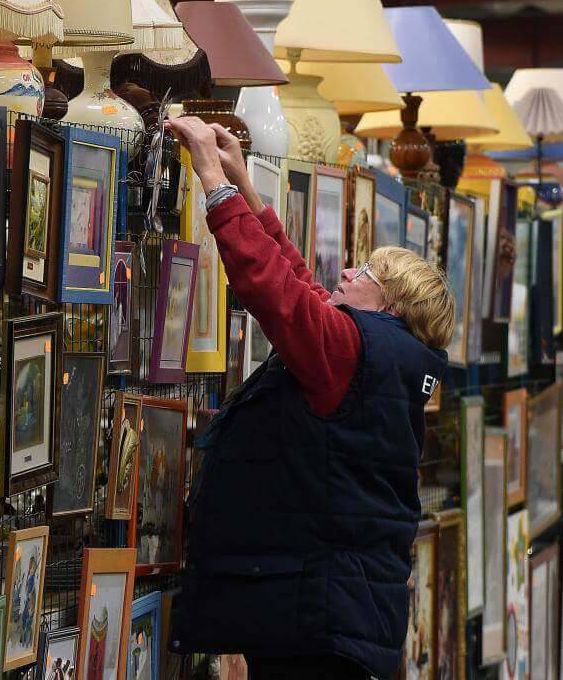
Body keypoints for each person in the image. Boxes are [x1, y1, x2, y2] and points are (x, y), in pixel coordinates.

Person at [165, 117, 455, 680]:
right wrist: (244, 184)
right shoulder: (377, 357)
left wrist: (211, 182)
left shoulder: (353, 351)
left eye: (366, 271)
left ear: (390, 306)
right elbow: (301, 283)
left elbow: (275, 294)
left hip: (316, 622)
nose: (347, 270)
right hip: (337, 615)